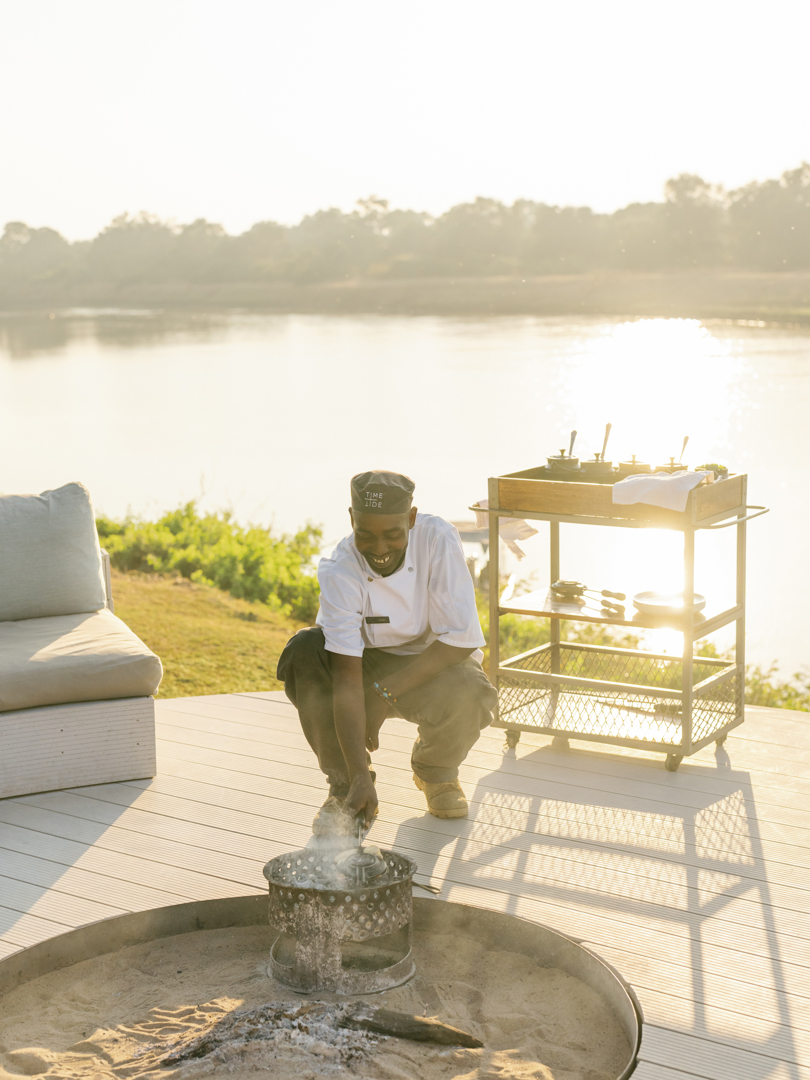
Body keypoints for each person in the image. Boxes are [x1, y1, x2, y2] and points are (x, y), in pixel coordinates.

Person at [277, 469, 497, 828]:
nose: (379, 549)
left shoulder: (438, 539)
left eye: (393, 534)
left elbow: (460, 641)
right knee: (304, 649)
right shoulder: (340, 569)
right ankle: (346, 786)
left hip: (434, 665)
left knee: (473, 691)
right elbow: (346, 678)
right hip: (364, 667)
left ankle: (435, 770)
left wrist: (383, 694)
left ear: (411, 519)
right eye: (366, 534)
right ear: (352, 520)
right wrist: (360, 774)